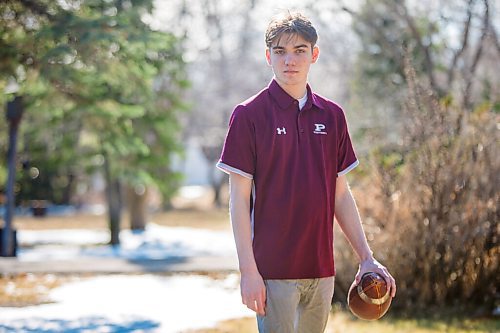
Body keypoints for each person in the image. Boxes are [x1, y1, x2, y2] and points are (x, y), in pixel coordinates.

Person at [217, 11, 396, 333]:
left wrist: (366, 257)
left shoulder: (333, 115)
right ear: (267, 56)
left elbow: (340, 193)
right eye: (280, 51)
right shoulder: (248, 115)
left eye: (300, 50)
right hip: (272, 271)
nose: (290, 60)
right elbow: (239, 201)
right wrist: (249, 271)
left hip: (322, 269)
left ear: (314, 54)